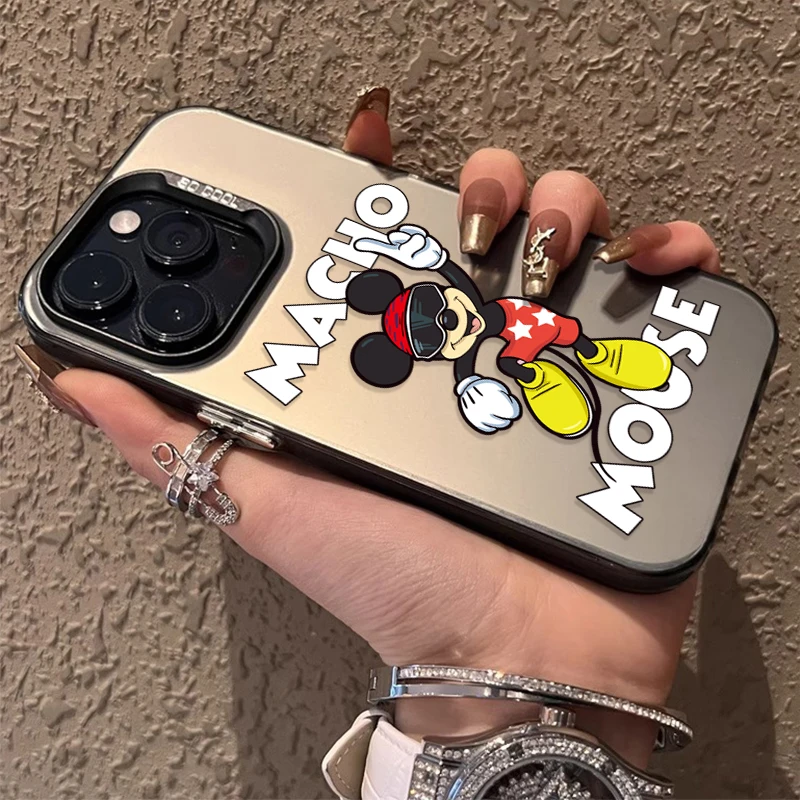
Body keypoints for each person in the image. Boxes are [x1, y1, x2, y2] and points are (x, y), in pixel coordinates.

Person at [23, 87, 722, 798]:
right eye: (429, 328)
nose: (444, 321)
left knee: (580, 344)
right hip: (528, 376)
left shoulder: (440, 288)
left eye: (434, 310)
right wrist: (544, 677)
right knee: (558, 399)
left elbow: (443, 268)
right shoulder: (459, 377)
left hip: (540, 338)